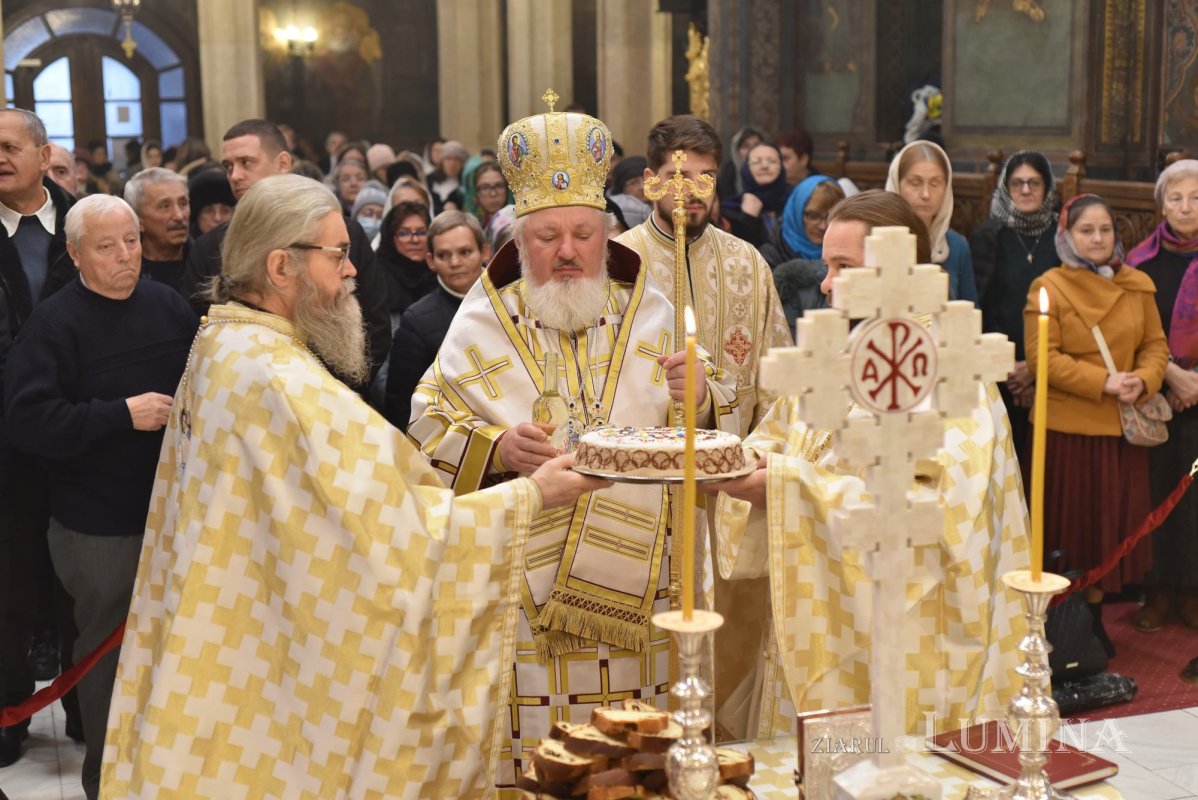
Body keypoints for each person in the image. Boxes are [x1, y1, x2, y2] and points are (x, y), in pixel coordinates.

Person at [98, 174, 606, 798]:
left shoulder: (221, 341)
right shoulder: (279, 380)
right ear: (282, 266)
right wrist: (533, 496)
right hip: (268, 649)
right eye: (338, 254)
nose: (351, 272)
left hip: (241, 630)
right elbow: (403, 535)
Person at [408, 104, 740, 793]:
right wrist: (497, 446)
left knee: (638, 753)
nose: (568, 252)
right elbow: (425, 427)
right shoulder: (483, 319)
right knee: (543, 763)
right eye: (548, 236)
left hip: (646, 592)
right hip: (529, 597)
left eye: (583, 234)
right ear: (518, 241)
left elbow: (718, 418)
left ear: (605, 232)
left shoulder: (650, 309)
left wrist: (702, 392)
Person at [705, 189, 1027, 737]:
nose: (825, 283)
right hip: (826, 613)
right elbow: (783, 433)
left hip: (906, 632)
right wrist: (738, 457)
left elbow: (937, 513)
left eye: (842, 267)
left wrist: (782, 487)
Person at [4, 194, 197, 798]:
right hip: (96, 527)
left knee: (176, 647)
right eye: (106, 246)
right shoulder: (55, 324)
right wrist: (119, 416)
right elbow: (30, 422)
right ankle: (107, 780)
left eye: (132, 241)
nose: (125, 257)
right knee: (108, 657)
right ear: (75, 254)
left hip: (171, 513)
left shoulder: (168, 306)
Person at [616, 115, 791, 738]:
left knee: (731, 642)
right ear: (647, 183)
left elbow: (778, 390)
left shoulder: (749, 266)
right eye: (675, 176)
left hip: (728, 499)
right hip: (642, 497)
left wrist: (722, 423)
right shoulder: (620, 267)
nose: (689, 190)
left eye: (703, 177)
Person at [1026, 193, 1169, 653]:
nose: (1098, 239)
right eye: (1086, 231)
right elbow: (1041, 357)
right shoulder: (1048, 286)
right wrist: (1103, 381)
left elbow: (1156, 346)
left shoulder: (1138, 284)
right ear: (1066, 236)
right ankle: (1068, 622)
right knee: (1071, 534)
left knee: (1112, 531)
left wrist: (1143, 380)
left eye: (1106, 230)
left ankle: (1094, 616)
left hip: (1121, 432)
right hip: (1069, 432)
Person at [179, 119, 390, 394]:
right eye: (228, 166)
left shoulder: (341, 231)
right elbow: (199, 333)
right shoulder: (209, 247)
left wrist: (330, 395)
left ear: (282, 163)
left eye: (246, 162)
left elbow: (375, 324)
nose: (235, 175)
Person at [0, 109, 77, 768]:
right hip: (2, 442)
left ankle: (87, 709)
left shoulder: (89, 224)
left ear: (43, 153)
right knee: (8, 585)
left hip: (79, 433)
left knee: (79, 580)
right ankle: (7, 713)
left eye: (8, 145)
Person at [1124, 160, 1198, 633]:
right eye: (1176, 198)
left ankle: (1191, 592)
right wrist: (1171, 374)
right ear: (1161, 204)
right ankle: (1155, 592)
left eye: (1196, 198)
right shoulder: (1139, 263)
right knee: (1152, 495)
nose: (1186, 207)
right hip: (1154, 394)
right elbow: (1127, 332)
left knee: (1194, 500)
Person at [972, 150, 1061, 469]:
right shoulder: (988, 236)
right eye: (1017, 183)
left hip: (1054, 371)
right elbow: (979, 308)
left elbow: (1071, 311)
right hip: (999, 374)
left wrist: (1034, 369)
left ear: (1048, 187)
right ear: (1005, 187)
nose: (1026, 190)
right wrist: (1011, 369)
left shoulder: (1063, 236)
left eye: (1034, 183)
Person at [384, 210, 487, 428]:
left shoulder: (512, 301)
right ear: (430, 260)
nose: (455, 262)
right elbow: (401, 403)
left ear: (484, 251)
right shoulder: (417, 320)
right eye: (443, 255)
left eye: (465, 251)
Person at [886, 140, 978, 303]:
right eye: (915, 183)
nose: (926, 194)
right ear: (896, 184)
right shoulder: (878, 243)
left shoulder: (956, 246)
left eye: (935, 183)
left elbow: (970, 312)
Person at [765, 174, 846, 328]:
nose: (823, 225)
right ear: (797, 211)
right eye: (814, 216)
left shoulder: (848, 254)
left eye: (830, 217)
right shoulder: (770, 256)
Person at [124, 167, 190, 291]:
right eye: (165, 206)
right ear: (138, 220)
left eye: (183, 203)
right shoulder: (124, 271)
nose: (179, 216)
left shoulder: (208, 262)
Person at [720, 142, 792, 249]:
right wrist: (748, 218)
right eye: (756, 162)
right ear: (746, 168)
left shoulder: (794, 202)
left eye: (772, 161)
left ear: (781, 166)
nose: (765, 166)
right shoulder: (729, 210)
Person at [715, 125, 765, 201]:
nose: (752, 150)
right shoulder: (729, 172)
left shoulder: (768, 170)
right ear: (736, 152)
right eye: (746, 146)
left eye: (756, 145)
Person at [462, 159, 512, 229]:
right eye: (485, 187)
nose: (493, 194)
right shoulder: (466, 228)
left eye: (499, 186)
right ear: (475, 192)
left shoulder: (520, 222)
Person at [187, 166, 235, 238]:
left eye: (225, 210)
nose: (217, 218)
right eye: (209, 211)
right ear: (196, 216)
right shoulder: (184, 247)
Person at [607, 155, 651, 230]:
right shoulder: (627, 212)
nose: (642, 187)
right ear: (621, 189)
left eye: (646, 180)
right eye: (633, 183)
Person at [429, 139, 468, 212]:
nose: (452, 163)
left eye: (456, 159)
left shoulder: (466, 183)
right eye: (448, 159)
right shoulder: (430, 180)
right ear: (442, 161)